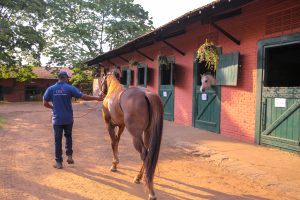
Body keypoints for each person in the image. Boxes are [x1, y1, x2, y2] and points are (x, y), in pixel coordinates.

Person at [43, 71, 102, 169]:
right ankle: (69, 156)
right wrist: (97, 98)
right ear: (65, 78)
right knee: (68, 137)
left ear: (59, 78)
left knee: (57, 141)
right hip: (68, 119)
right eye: (68, 78)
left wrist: (53, 108)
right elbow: (84, 96)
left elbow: (45, 103)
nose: (68, 79)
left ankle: (58, 162)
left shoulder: (51, 89)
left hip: (57, 119)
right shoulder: (70, 88)